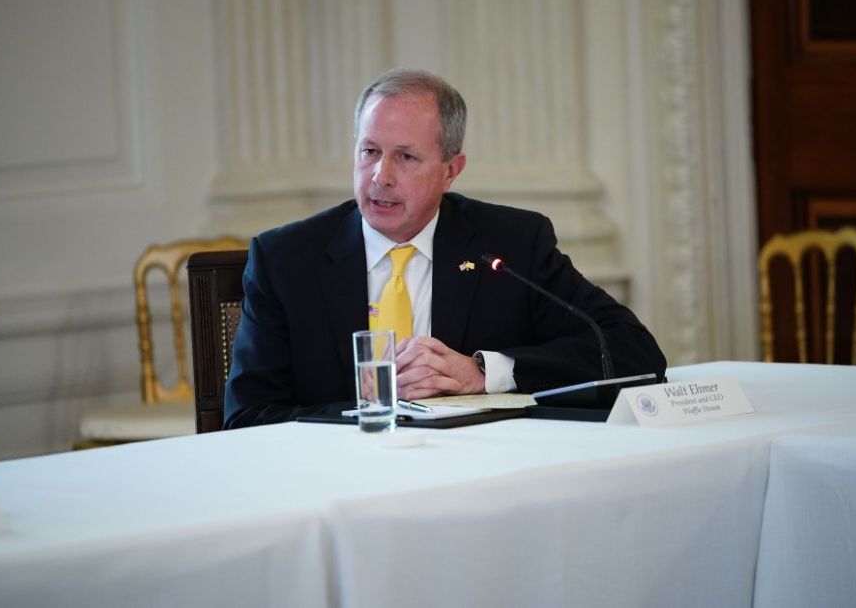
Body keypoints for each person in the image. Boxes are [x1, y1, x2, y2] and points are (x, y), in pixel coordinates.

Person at [223, 68, 666, 428]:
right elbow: (247, 417)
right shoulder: (286, 260)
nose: (380, 176)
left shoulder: (511, 243)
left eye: (406, 157)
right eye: (369, 151)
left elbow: (633, 352)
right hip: (340, 484)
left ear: (451, 170)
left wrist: (484, 374)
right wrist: (373, 418)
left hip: (480, 484)